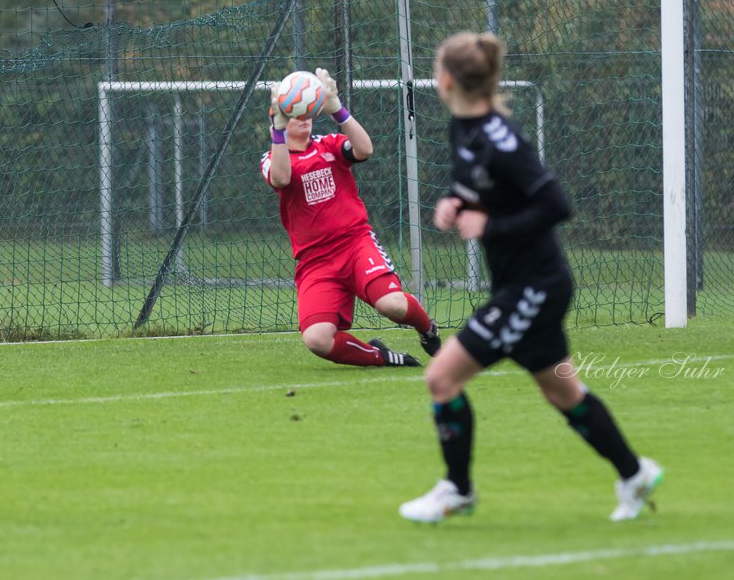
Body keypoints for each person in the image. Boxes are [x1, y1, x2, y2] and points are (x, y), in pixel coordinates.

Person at [398, 31, 661, 524]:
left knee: (441, 377)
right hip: (524, 285)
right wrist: (460, 204)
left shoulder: (502, 138)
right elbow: (487, 191)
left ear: (448, 79)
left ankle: (457, 490)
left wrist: (489, 225)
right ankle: (634, 473)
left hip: (534, 288)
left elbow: (556, 205)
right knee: (564, 393)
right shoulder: (463, 128)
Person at [261, 67, 440, 367]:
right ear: (280, 118)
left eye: (306, 112)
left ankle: (427, 328)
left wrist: (336, 108)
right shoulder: (273, 158)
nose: (303, 118)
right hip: (316, 261)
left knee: (392, 305)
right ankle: (383, 357)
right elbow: (280, 179)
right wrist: (276, 131)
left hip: (355, 245)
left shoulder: (328, 145)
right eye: (293, 114)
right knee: (317, 339)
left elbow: (365, 149)